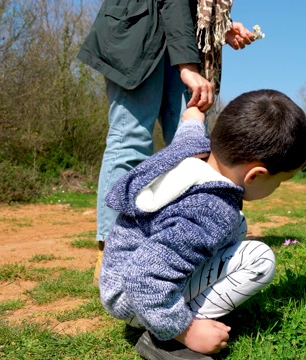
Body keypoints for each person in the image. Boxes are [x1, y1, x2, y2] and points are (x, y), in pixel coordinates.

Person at [99, 89, 306, 359]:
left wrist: (194, 113)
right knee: (259, 259)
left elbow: (189, 128)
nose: (276, 188)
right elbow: (144, 276)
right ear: (255, 175)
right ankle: (168, 338)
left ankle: (182, 313)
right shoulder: (211, 210)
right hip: (138, 298)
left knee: (236, 226)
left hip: (120, 279)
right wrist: (185, 330)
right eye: (279, 182)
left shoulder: (193, 149)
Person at [76, 0, 257, 283]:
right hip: (138, 29)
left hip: (179, 38)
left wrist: (219, 28)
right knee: (130, 140)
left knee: (194, 147)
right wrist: (188, 67)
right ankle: (112, 253)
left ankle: (185, 242)